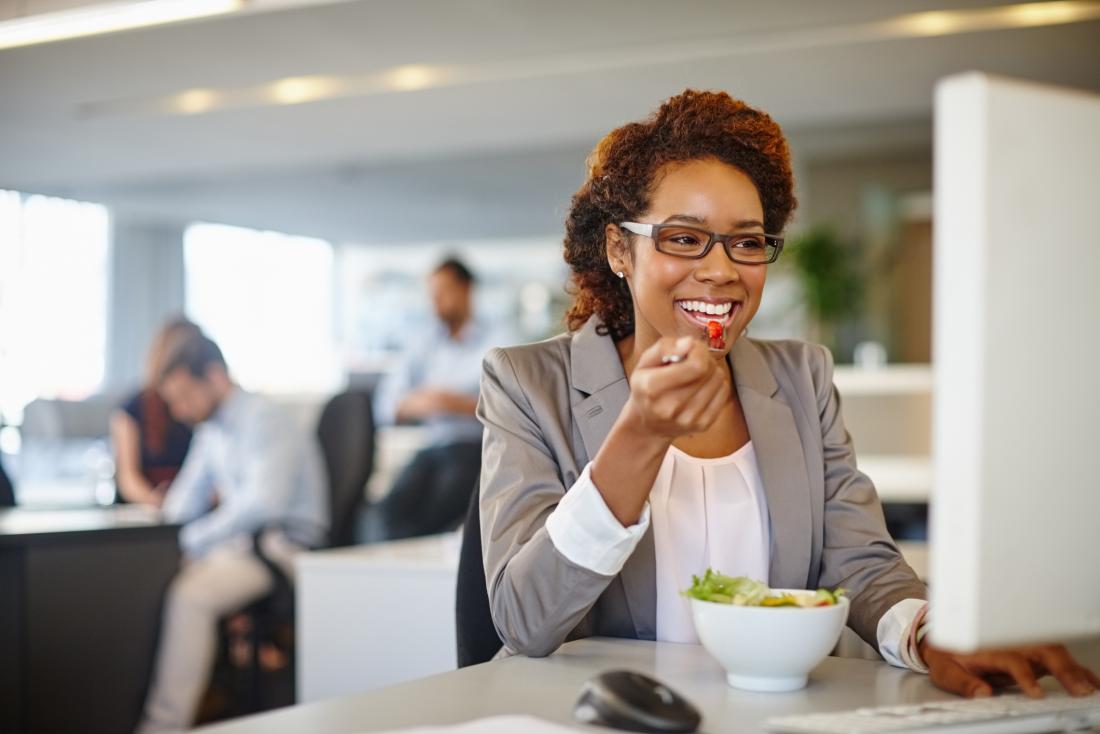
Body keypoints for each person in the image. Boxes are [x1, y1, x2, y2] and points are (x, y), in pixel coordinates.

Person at [477, 90, 1099, 699]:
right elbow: (523, 619)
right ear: (620, 249)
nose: (721, 270)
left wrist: (933, 635)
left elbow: (862, 562)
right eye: (684, 238)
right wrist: (641, 432)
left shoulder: (802, 377)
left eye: (747, 242)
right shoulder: (527, 384)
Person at [136, 333, 329, 734]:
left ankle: (162, 726)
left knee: (191, 597)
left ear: (215, 375)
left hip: (284, 548)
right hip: (245, 545)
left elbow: (264, 504)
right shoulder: (213, 428)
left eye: (184, 395)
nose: (180, 410)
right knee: (157, 575)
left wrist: (193, 539)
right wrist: (155, 531)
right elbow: (185, 499)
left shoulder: (264, 419)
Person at [373, 257, 508, 539]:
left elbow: (510, 406)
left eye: (443, 292)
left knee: (438, 511)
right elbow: (387, 406)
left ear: (466, 290)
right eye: (432, 294)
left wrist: (449, 403)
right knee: (389, 510)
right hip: (434, 446)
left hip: (475, 448)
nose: (436, 301)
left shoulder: (498, 339)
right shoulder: (424, 343)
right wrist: (435, 402)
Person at [111, 317, 202, 506]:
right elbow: (128, 479)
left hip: (190, 508)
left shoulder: (204, 414)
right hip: (147, 513)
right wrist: (158, 502)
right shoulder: (130, 411)